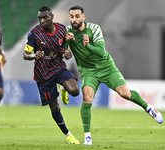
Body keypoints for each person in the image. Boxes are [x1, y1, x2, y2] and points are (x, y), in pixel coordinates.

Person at [65, 5, 163, 145]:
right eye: (72, 16)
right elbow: (63, 51)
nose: (74, 19)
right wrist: (65, 47)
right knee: (87, 97)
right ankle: (87, 137)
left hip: (106, 67)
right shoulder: (67, 32)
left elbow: (101, 51)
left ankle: (148, 108)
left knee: (125, 94)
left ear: (83, 17)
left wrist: (88, 46)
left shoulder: (94, 29)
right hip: (88, 71)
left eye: (77, 16)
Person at [23, 6, 80, 144]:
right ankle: (68, 134)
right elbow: (25, 55)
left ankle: (64, 88)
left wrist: (66, 53)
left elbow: (63, 50)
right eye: (40, 18)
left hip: (58, 67)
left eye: (45, 17)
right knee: (55, 107)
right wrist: (33, 55)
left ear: (52, 17)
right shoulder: (34, 34)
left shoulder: (62, 30)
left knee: (75, 91)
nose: (42, 21)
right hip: (43, 74)